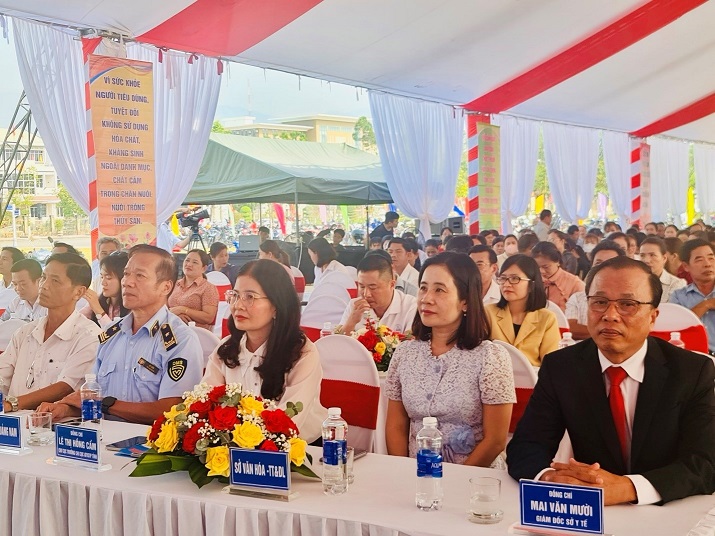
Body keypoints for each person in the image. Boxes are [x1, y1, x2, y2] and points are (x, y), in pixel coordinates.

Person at [507, 256, 715, 505]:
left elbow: (704, 463)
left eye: (627, 304)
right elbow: (526, 446)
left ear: (652, 317)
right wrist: (551, 478)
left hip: (668, 508)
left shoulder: (692, 371)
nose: (610, 315)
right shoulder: (561, 367)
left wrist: (628, 488)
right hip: (590, 509)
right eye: (600, 302)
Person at [38, 245, 203, 425]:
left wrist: (107, 404)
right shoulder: (112, 334)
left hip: (149, 439)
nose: (127, 282)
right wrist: (64, 408)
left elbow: (173, 410)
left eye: (140, 276)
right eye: (126, 274)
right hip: (105, 435)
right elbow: (94, 397)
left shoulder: (179, 339)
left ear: (165, 287)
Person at [385, 252, 515, 466]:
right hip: (417, 474)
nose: (426, 298)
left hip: (474, 477)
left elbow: (495, 441)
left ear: (465, 301)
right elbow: (396, 427)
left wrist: (455, 480)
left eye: (439, 290)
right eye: (423, 288)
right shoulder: (405, 353)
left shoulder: (490, 357)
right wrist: (403, 473)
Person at [202, 259, 327, 443]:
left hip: (302, 448)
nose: (238, 305)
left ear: (276, 305)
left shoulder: (302, 353)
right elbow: (203, 403)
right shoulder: (226, 348)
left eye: (250, 297)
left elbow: (288, 424)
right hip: (234, 447)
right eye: (235, 295)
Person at [0, 253, 101, 412]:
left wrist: (12, 404)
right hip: (13, 421)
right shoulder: (25, 332)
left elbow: (65, 387)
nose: (44, 285)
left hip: (55, 423)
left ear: (78, 292)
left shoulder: (89, 336)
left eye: (55, 281)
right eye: (43, 277)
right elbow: (2, 373)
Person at [485, 255, 560, 366]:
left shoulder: (547, 318)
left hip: (533, 376)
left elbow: (551, 364)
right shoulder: (488, 312)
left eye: (515, 279)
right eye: (503, 278)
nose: (506, 284)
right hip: (495, 375)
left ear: (531, 284)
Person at [337, 254, 417, 335]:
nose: (366, 294)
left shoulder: (410, 306)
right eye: (362, 286)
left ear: (392, 284)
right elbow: (338, 340)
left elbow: (411, 340)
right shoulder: (354, 306)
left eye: (373, 287)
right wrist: (351, 321)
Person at [566, 240, 625, 340]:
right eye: (598, 263)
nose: (603, 268)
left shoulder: (630, 300)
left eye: (611, 263)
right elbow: (570, 329)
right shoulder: (578, 298)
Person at [670, 239, 715, 354]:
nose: (707, 264)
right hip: (693, 356)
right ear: (686, 266)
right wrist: (706, 304)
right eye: (699, 260)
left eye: (711, 258)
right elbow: (677, 327)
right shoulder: (679, 296)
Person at [168, 249, 219, 330]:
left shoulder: (208, 288)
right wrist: (176, 315)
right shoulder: (175, 284)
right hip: (170, 331)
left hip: (196, 333)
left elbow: (208, 317)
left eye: (195, 262)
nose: (189, 264)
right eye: (187, 260)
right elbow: (162, 308)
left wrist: (183, 310)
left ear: (204, 268)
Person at [531, 241, 585, 312]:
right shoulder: (532, 281)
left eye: (546, 267)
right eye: (537, 267)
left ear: (558, 261)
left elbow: (582, 313)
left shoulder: (575, 284)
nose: (541, 271)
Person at [81, 251, 129, 328]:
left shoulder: (132, 307)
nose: (103, 283)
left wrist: (98, 309)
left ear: (123, 279)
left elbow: (116, 334)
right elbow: (77, 320)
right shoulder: (99, 300)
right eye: (102, 277)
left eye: (108, 278)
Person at [639, 237, 686, 303]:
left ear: (664, 258)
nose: (646, 260)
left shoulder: (676, 284)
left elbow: (670, 308)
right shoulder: (633, 281)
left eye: (652, 255)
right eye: (642, 255)